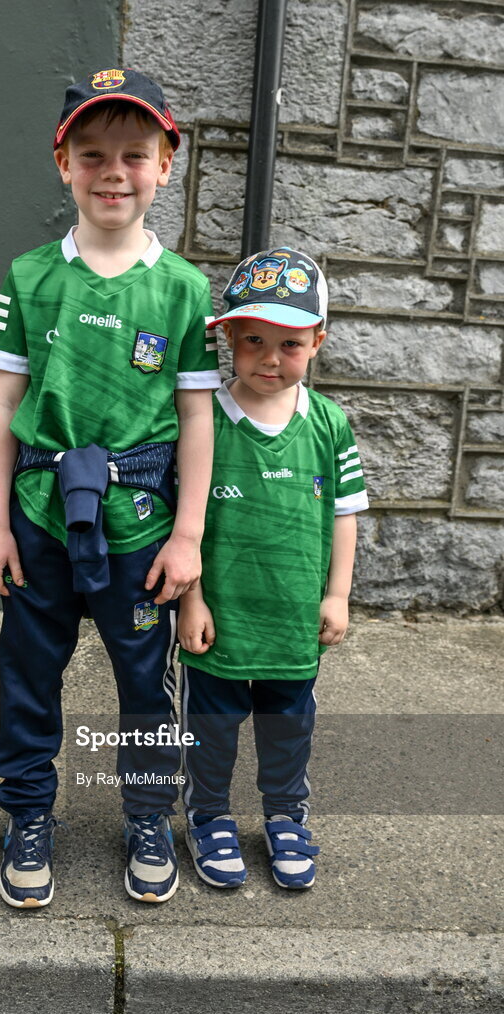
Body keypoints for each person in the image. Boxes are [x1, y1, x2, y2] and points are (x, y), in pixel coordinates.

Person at [0, 68, 220, 908]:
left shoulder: (185, 289)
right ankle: (29, 814)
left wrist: (187, 533)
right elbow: (2, 404)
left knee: (144, 680)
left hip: (140, 528)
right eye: (92, 154)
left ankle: (150, 816)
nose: (112, 171)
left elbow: (197, 421)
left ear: (165, 162)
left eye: (133, 154)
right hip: (41, 517)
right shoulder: (29, 276)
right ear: (63, 164)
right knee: (28, 677)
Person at [178, 248, 368, 890]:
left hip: (292, 620)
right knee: (212, 732)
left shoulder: (329, 425)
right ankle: (208, 816)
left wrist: (337, 595)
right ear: (227, 335)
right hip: (221, 618)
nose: (268, 358)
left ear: (317, 341)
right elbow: (187, 519)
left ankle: (286, 817)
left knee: (288, 731)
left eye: (288, 344)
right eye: (252, 339)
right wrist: (191, 599)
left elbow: (344, 515)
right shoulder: (204, 419)